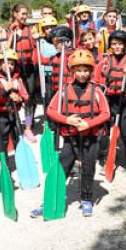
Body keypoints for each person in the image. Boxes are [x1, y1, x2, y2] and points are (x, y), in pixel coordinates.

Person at [33, 49, 110, 217]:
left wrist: (88, 123)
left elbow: (106, 114)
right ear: (72, 71)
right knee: (62, 167)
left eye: (86, 70)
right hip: (70, 138)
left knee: (88, 168)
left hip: (90, 138)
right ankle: (49, 199)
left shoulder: (96, 91)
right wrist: (67, 120)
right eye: (78, 70)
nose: (82, 74)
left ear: (91, 71)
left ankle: (86, 199)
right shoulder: (64, 90)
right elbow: (51, 110)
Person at [94, 30, 126, 171]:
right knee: (104, 130)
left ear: (125, 45)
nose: (117, 46)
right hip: (107, 100)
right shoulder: (105, 61)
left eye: (120, 44)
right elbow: (96, 80)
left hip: (123, 100)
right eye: (114, 44)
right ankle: (106, 157)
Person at [0, 48, 29, 167]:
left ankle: (21, 161)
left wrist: (19, 98)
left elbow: (26, 96)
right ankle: (4, 163)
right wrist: (3, 88)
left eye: (12, 63)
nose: (9, 66)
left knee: (17, 137)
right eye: (5, 63)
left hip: (14, 113)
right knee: (3, 140)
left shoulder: (17, 79)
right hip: (1, 115)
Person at [7, 4, 37, 142]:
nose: (25, 17)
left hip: (29, 70)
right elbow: (5, 50)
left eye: (26, 14)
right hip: (15, 70)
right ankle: (13, 125)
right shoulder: (7, 31)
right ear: (15, 14)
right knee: (12, 98)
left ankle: (28, 128)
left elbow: (35, 45)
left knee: (28, 100)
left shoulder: (30, 30)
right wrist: (13, 36)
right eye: (22, 14)